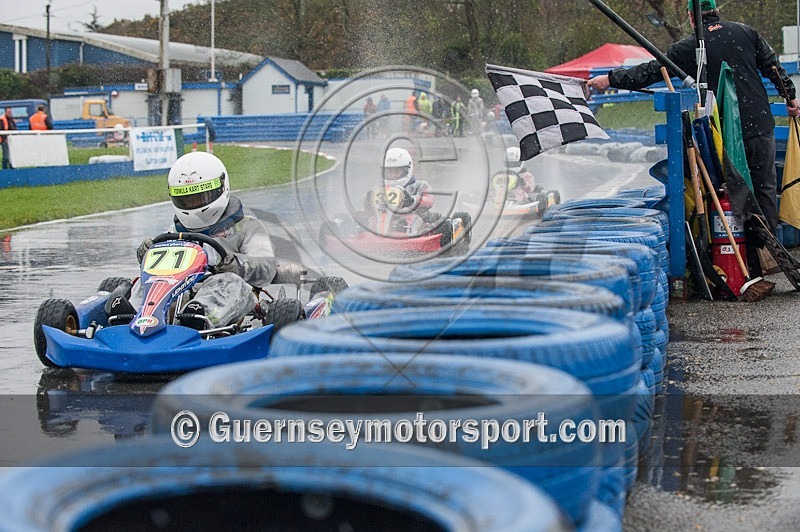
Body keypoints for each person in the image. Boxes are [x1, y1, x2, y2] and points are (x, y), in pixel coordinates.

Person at [587, 0, 800, 236]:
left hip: (724, 131)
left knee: (732, 191)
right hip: (758, 123)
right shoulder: (746, 32)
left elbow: (651, 71)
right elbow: (773, 66)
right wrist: (790, 97)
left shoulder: (690, 47)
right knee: (764, 187)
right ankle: (769, 245)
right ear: (716, 11)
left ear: (691, 16)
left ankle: (739, 245)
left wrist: (611, 79)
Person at [123, 152, 299, 330]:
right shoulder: (175, 231)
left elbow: (266, 266)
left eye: (200, 197)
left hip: (229, 295)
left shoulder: (248, 227)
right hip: (180, 291)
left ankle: (199, 320)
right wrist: (148, 253)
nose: (193, 204)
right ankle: (131, 318)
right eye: (186, 199)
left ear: (221, 188)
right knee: (148, 283)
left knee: (228, 281)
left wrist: (235, 264)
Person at [367, 147, 434, 235]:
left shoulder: (419, 185)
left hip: (410, 220)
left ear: (407, 170)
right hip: (384, 218)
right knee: (371, 220)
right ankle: (370, 236)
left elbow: (429, 200)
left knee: (412, 219)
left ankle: (410, 237)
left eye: (396, 172)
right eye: (389, 172)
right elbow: (368, 209)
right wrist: (368, 199)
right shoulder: (379, 189)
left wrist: (412, 200)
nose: (393, 175)